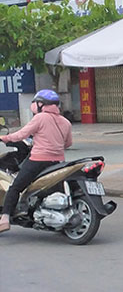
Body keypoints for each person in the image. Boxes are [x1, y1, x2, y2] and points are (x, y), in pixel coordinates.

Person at [0, 90, 72, 233]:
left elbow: (22, 134)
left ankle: (5, 218)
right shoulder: (66, 122)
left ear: (40, 104)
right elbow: (68, 143)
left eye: (35, 102)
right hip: (57, 162)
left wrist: (4, 138)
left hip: (38, 160)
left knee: (15, 187)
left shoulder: (40, 118)